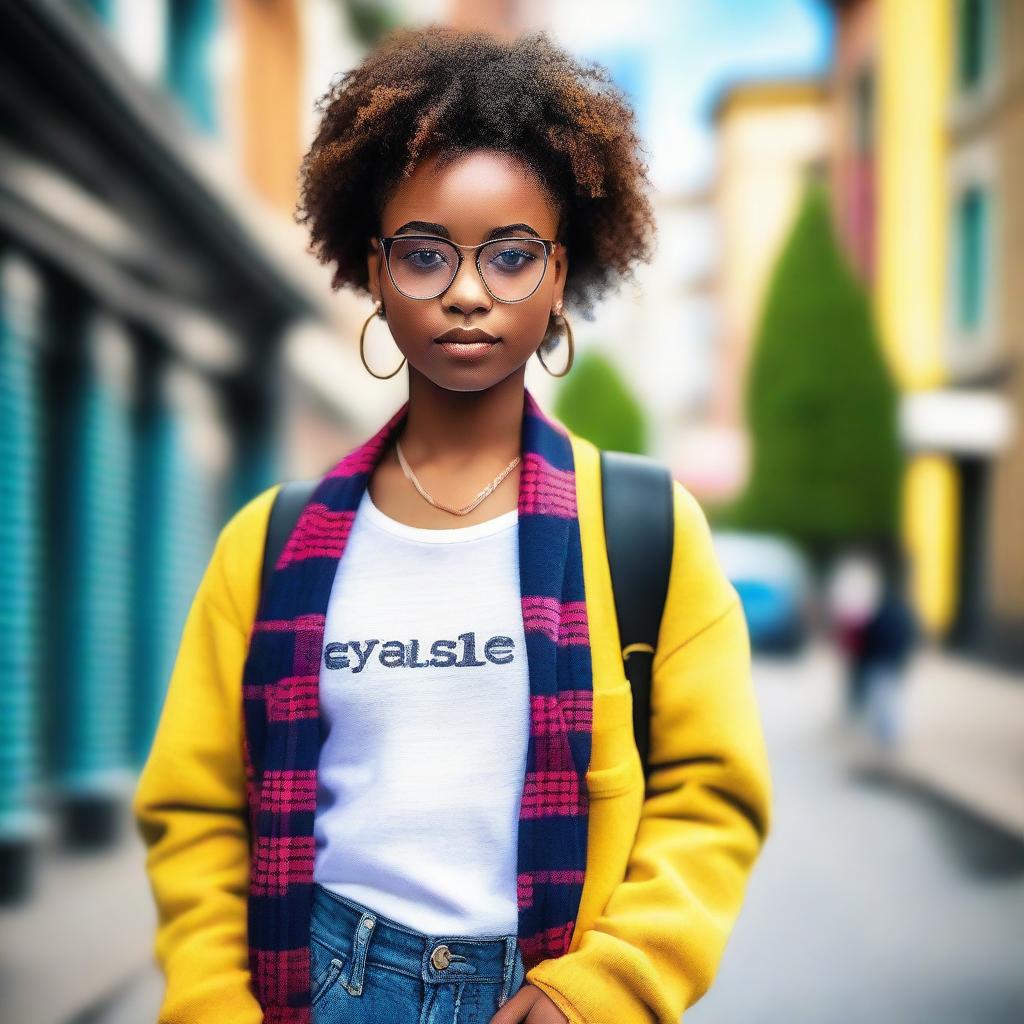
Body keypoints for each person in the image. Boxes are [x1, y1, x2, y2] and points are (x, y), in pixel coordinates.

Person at [132, 25, 773, 1024]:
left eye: (512, 256)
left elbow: (709, 797)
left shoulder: (644, 528)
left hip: (544, 993)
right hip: (316, 983)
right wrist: (215, 1004)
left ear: (561, 275)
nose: (468, 291)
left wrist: (602, 990)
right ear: (374, 272)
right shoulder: (268, 544)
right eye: (425, 255)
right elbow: (199, 810)